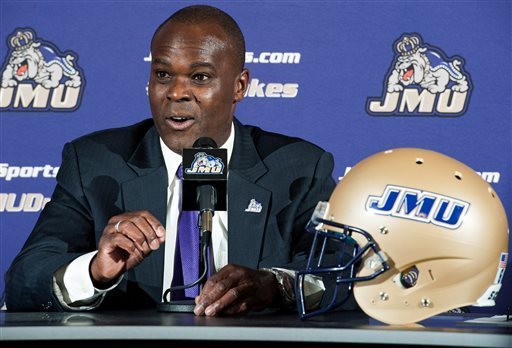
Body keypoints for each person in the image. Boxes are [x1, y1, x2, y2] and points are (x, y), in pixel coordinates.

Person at [5, 5, 335, 316]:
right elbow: (24, 279)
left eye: (200, 77)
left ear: (239, 86)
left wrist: (277, 286)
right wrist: (95, 271)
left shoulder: (298, 168)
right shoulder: (94, 163)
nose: (176, 92)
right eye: (163, 74)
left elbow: (344, 276)